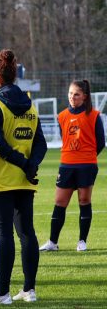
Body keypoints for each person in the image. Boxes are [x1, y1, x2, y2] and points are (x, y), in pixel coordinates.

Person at [0, 49, 47, 305]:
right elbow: (41, 144)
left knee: (3, 235)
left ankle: (3, 293)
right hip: (24, 180)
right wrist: (30, 165)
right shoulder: (30, 104)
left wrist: (24, 163)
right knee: (27, 233)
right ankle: (29, 290)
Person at [40, 79, 104, 252]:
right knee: (60, 201)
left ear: (84, 96)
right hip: (67, 165)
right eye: (70, 93)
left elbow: (101, 142)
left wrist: (87, 156)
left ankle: (82, 241)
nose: (72, 97)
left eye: (76, 94)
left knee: (84, 200)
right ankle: (52, 242)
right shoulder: (62, 116)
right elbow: (65, 139)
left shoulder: (94, 115)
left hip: (87, 166)